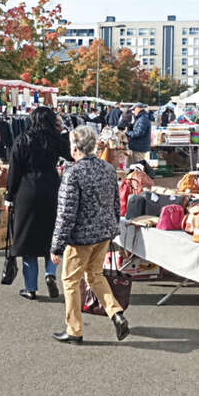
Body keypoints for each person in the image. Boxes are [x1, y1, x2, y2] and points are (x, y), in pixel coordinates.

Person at [49, 125, 130, 344]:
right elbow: (115, 204)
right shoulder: (107, 169)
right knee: (95, 275)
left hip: (81, 237)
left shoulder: (73, 173)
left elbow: (66, 213)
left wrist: (56, 246)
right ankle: (116, 313)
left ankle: (74, 330)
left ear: (75, 148)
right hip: (103, 233)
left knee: (70, 281)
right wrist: (112, 228)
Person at [6, 105, 70, 300]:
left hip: (27, 190)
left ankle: (31, 288)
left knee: (28, 240)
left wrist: (9, 196)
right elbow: (71, 155)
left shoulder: (23, 139)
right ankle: (50, 273)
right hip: (51, 188)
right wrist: (63, 131)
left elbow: (14, 170)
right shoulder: (56, 139)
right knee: (52, 237)